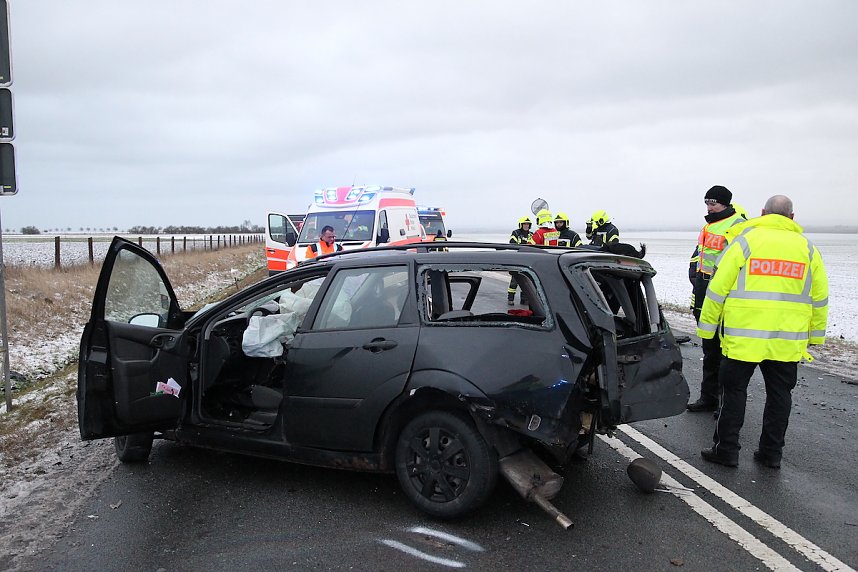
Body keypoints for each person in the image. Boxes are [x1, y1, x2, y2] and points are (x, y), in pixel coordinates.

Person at [698, 195, 828, 468]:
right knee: (780, 396)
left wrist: (707, 329)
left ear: (762, 212)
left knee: (734, 392)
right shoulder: (807, 248)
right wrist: (816, 335)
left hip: (743, 338)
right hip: (786, 340)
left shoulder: (744, 242)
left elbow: (717, 288)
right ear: (792, 217)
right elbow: (819, 297)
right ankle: (771, 454)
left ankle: (726, 451)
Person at [687, 185, 747, 413]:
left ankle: (724, 404)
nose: (709, 207)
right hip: (704, 289)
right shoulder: (709, 225)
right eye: (707, 203)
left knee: (724, 352)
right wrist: (695, 280)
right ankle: (708, 397)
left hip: (723, 293)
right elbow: (699, 256)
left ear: (725, 203)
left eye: (713, 203)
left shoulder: (737, 225)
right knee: (709, 348)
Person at [508, 216, 535, 304]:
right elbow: (512, 243)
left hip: (527, 261)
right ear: (521, 225)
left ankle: (524, 299)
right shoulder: (515, 233)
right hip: (517, 260)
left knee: (526, 280)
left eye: (528, 224)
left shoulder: (532, 234)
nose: (526, 226)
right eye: (524, 224)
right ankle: (510, 298)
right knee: (514, 281)